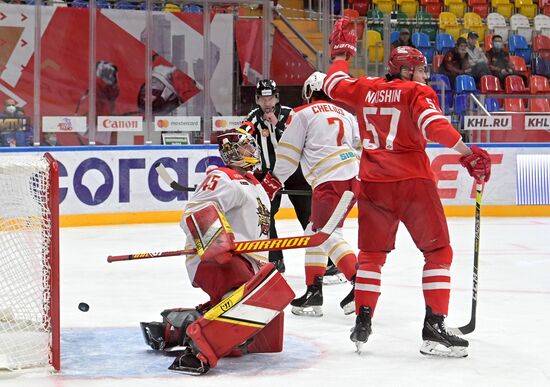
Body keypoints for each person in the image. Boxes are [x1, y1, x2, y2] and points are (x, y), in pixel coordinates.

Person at [325, 18, 492, 357]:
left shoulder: (366, 88)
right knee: (438, 252)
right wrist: (467, 152)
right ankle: (434, 327)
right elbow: (435, 126)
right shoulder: (416, 93)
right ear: (405, 71)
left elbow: (332, 82)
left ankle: (363, 319)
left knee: (371, 256)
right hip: (413, 183)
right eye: (420, 70)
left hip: (373, 183)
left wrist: (342, 54)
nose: (425, 75)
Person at [139, 127, 294, 375]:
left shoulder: (254, 184)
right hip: (218, 260)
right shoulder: (223, 177)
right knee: (262, 298)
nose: (251, 150)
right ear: (232, 152)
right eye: (245, 146)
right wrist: (217, 242)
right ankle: (198, 351)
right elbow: (192, 213)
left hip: (246, 262)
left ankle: (175, 326)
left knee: (260, 315)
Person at [262, 71, 360, 317]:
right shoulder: (347, 115)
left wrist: (274, 181)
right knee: (314, 231)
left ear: (308, 92)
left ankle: (360, 284)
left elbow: (287, 152)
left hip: (329, 180)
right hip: (353, 177)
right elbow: (359, 145)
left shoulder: (302, 113)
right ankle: (313, 292)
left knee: (325, 234)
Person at [244, 79, 312, 273]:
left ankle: (328, 263)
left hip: (295, 171)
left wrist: (279, 124)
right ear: (257, 100)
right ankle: (275, 261)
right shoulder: (253, 117)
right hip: (268, 174)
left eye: (271, 98)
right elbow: (243, 135)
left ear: (277, 97)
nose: (267, 103)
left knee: (309, 216)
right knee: (266, 217)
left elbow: (303, 138)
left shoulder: (291, 115)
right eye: (263, 99)